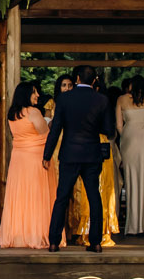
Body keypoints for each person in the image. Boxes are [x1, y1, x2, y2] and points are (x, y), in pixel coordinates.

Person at [45, 64, 113, 250]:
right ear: (93, 81)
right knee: (94, 197)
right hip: (92, 153)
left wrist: (47, 154)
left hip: (69, 152)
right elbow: (108, 130)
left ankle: (53, 241)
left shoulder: (65, 99)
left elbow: (56, 128)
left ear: (77, 79)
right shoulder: (101, 100)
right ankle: (96, 241)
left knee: (62, 197)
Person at [0, 81, 53, 249]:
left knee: (20, 194)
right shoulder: (33, 112)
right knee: (35, 195)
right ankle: (36, 233)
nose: (37, 95)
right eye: (34, 92)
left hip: (19, 158)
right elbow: (46, 134)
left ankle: (19, 233)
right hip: (34, 158)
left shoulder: (13, 113)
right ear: (26, 94)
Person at [115, 76, 144, 234]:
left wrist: (126, 136)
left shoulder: (121, 99)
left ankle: (134, 225)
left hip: (130, 140)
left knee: (131, 179)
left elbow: (119, 125)